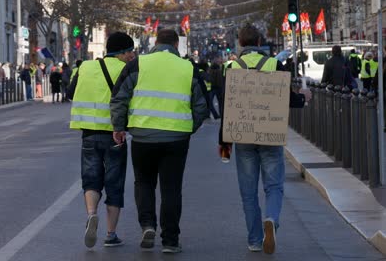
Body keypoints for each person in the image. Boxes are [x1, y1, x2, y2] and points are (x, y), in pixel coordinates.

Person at [110, 29, 208, 254]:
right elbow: (201, 105)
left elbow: (119, 97)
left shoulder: (138, 64)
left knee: (143, 183)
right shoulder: (187, 67)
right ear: (176, 44)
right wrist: (188, 127)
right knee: (171, 188)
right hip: (176, 138)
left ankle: (147, 226)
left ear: (155, 43)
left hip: (143, 137)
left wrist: (119, 127)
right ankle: (171, 240)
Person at [218, 24, 312, 254]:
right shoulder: (274, 63)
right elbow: (287, 98)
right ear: (260, 43)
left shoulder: (230, 66)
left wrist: (224, 141)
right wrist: (304, 98)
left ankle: (254, 239)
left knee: (248, 192)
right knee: (274, 186)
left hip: (243, 137)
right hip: (270, 134)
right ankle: (271, 218)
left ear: (240, 43)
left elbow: (226, 106)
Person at [67, 32, 136, 249]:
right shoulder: (127, 70)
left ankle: (91, 214)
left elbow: (70, 92)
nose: (132, 56)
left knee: (91, 178)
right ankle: (111, 234)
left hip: (88, 133)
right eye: (130, 51)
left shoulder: (85, 67)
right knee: (114, 183)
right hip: (115, 135)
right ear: (123, 52)